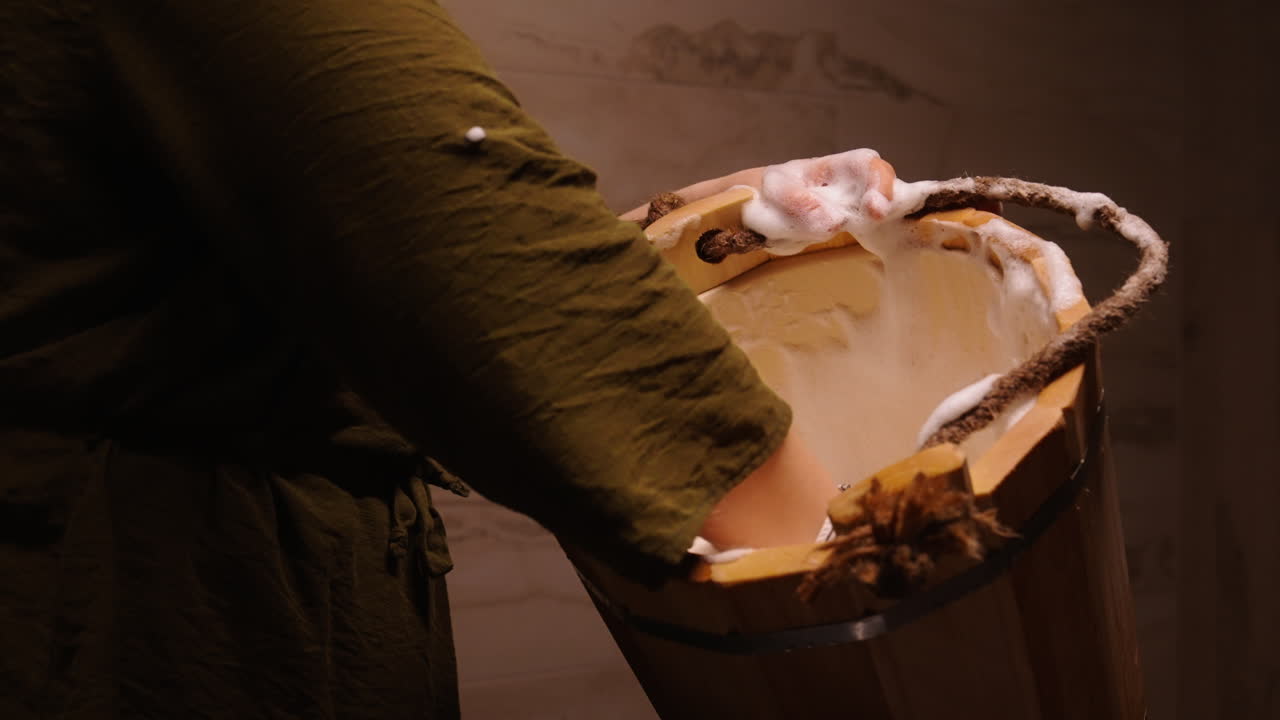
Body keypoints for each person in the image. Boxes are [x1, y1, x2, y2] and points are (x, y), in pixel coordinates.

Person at [0, 1, 893, 717]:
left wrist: (704, 228)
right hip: (162, 614)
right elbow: (517, 288)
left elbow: (365, 267)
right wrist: (896, 619)